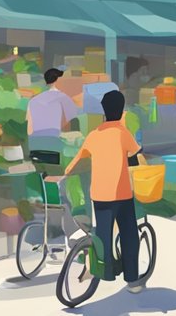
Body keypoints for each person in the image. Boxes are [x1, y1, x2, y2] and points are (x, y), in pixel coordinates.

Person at [64, 90, 144, 293]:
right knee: (129, 235)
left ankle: (106, 272)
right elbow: (136, 157)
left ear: (104, 111)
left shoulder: (93, 135)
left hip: (99, 195)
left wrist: (66, 174)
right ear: (122, 111)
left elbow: (75, 162)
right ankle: (133, 281)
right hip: (122, 194)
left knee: (103, 236)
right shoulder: (122, 133)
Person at [27, 68, 80, 149]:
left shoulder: (33, 100)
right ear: (57, 80)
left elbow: (29, 128)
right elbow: (69, 123)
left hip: (34, 142)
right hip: (54, 142)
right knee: (77, 129)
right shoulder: (64, 98)